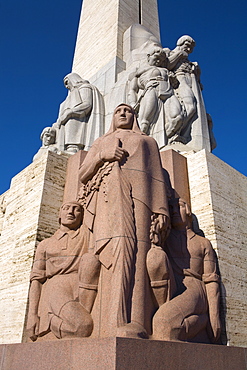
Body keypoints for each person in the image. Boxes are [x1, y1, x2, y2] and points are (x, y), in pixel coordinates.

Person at [78, 104, 170, 338]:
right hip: (107, 200)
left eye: (128, 111)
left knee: (139, 255)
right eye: (118, 110)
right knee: (107, 255)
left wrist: (161, 210)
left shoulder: (147, 142)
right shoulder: (101, 141)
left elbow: (157, 178)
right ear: (112, 117)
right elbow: (83, 173)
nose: (123, 113)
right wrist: (102, 155)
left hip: (141, 201)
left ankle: (136, 321)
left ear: (135, 117)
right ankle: (106, 323)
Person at [152, 198, 221, 343]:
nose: (175, 211)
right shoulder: (166, 239)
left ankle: (203, 321)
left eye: (179, 207)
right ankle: (198, 321)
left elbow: (211, 280)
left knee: (163, 322)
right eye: (171, 208)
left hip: (194, 287)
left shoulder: (203, 243)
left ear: (188, 211)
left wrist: (214, 316)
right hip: (172, 284)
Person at [27, 201, 98, 341]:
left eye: (76, 209)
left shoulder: (87, 235)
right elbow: (36, 281)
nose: (71, 212)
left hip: (83, 285)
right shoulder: (45, 244)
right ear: (59, 214)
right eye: (66, 208)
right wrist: (32, 315)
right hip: (57, 287)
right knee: (82, 326)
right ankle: (51, 319)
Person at [127, 46, 184, 148]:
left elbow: (175, 84)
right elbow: (132, 90)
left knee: (178, 117)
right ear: (149, 56)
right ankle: (139, 146)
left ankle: (164, 141)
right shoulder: (139, 72)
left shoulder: (165, 70)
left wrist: (173, 80)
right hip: (151, 90)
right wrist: (132, 103)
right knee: (145, 122)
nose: (158, 61)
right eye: (156, 58)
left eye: (160, 60)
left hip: (168, 92)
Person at [53, 73, 104, 153]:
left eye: (67, 82)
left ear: (73, 80)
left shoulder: (85, 87)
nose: (66, 86)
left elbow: (87, 104)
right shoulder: (69, 96)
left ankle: (74, 147)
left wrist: (70, 112)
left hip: (78, 119)